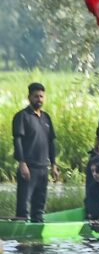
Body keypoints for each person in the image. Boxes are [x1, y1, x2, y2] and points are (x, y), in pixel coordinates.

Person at [12, 83, 58, 222]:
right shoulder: (22, 116)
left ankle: (37, 236)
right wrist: (22, 163)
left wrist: (54, 164)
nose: (39, 99)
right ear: (29, 97)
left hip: (43, 167)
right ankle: (22, 239)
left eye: (41, 96)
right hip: (28, 167)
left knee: (39, 206)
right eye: (36, 96)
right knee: (23, 205)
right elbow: (17, 141)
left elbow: (51, 142)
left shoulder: (46, 118)